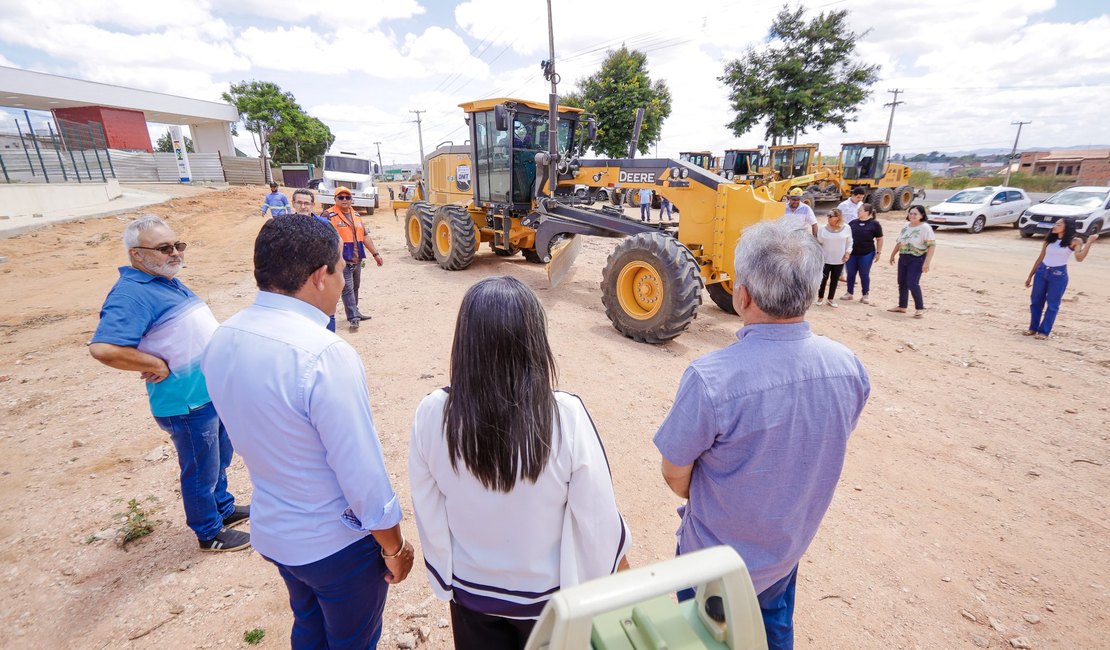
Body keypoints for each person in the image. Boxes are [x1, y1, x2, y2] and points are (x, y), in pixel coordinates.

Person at [653, 222, 869, 650]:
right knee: (773, 633)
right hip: (784, 554)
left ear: (743, 294)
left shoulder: (711, 379)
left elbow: (674, 472)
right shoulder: (848, 367)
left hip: (712, 568)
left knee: (702, 640)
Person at [201, 216, 414, 649]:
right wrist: (393, 546)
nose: (343, 280)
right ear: (321, 276)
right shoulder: (323, 355)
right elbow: (361, 475)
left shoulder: (224, 336)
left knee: (309, 626)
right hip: (334, 547)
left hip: (275, 531)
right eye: (340, 267)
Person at [410, 276, 631, 650]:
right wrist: (611, 576)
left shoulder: (434, 414)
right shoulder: (565, 416)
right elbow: (596, 517)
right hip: (547, 599)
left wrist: (443, 576)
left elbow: (426, 505)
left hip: (470, 592)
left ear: (465, 341)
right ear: (534, 341)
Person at [88, 215, 249, 553]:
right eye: (164, 248)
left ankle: (222, 508)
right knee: (200, 469)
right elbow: (103, 348)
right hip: (185, 403)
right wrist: (152, 363)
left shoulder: (165, 281)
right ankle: (209, 533)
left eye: (178, 245)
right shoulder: (132, 293)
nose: (175, 253)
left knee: (219, 459)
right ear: (137, 254)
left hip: (208, 393)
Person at [1024, 217, 1098, 340]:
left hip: (1058, 275)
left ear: (1066, 226)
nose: (1055, 226)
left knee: (1052, 305)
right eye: (1055, 224)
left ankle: (1044, 332)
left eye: (1058, 224)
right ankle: (1033, 328)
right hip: (1042, 272)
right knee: (1036, 302)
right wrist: (1030, 275)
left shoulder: (1074, 241)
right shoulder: (1049, 239)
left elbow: (1079, 258)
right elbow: (1040, 258)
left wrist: (1089, 242)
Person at [324, 186, 382, 331]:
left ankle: (355, 311)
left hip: (356, 258)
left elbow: (365, 236)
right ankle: (353, 318)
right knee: (347, 289)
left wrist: (375, 254)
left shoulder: (356, 215)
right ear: (335, 199)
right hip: (341, 260)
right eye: (341, 197)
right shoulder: (328, 215)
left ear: (351, 199)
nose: (344, 200)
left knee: (355, 287)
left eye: (347, 197)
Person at [290, 189, 338, 332]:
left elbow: (335, 246)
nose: (303, 207)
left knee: (326, 312)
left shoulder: (324, 225)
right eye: (299, 203)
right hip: (297, 279)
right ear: (293, 204)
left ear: (312, 205)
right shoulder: (286, 226)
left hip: (321, 276)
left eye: (307, 203)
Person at [888, 204, 936, 318]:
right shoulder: (906, 226)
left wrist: (927, 263)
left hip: (917, 258)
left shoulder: (925, 228)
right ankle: (902, 306)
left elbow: (932, 246)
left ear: (922, 215)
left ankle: (920, 308)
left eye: (915, 214)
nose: (912, 216)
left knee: (912, 283)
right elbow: (900, 242)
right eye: (911, 213)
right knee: (902, 282)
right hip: (903, 256)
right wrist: (893, 254)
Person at [842, 202, 884, 304]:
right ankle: (849, 293)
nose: (858, 212)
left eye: (860, 210)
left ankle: (865, 294)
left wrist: (878, 252)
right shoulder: (853, 223)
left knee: (864, 274)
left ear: (868, 212)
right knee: (850, 273)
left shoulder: (875, 224)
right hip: (852, 253)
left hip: (867, 253)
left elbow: (879, 239)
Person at [816, 208, 852, 307]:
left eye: (831, 216)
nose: (828, 217)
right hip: (825, 259)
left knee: (834, 280)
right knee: (822, 280)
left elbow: (850, 242)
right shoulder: (822, 228)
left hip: (839, 260)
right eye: (828, 215)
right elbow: (819, 242)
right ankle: (820, 298)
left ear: (838, 217)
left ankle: (830, 299)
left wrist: (848, 253)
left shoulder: (847, 228)